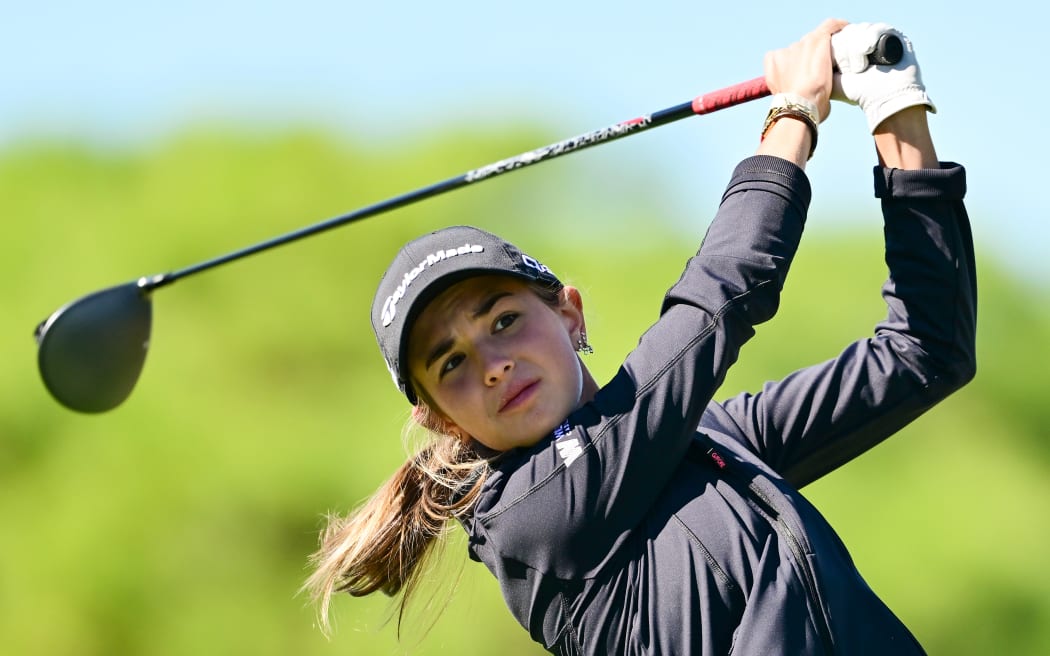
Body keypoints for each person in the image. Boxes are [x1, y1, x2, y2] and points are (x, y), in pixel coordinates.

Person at [305, 18, 976, 655]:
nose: (492, 365)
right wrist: (792, 115)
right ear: (439, 418)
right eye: (450, 362)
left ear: (570, 315)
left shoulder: (709, 444)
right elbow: (719, 298)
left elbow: (924, 351)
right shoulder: (529, 520)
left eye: (503, 321)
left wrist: (893, 102)